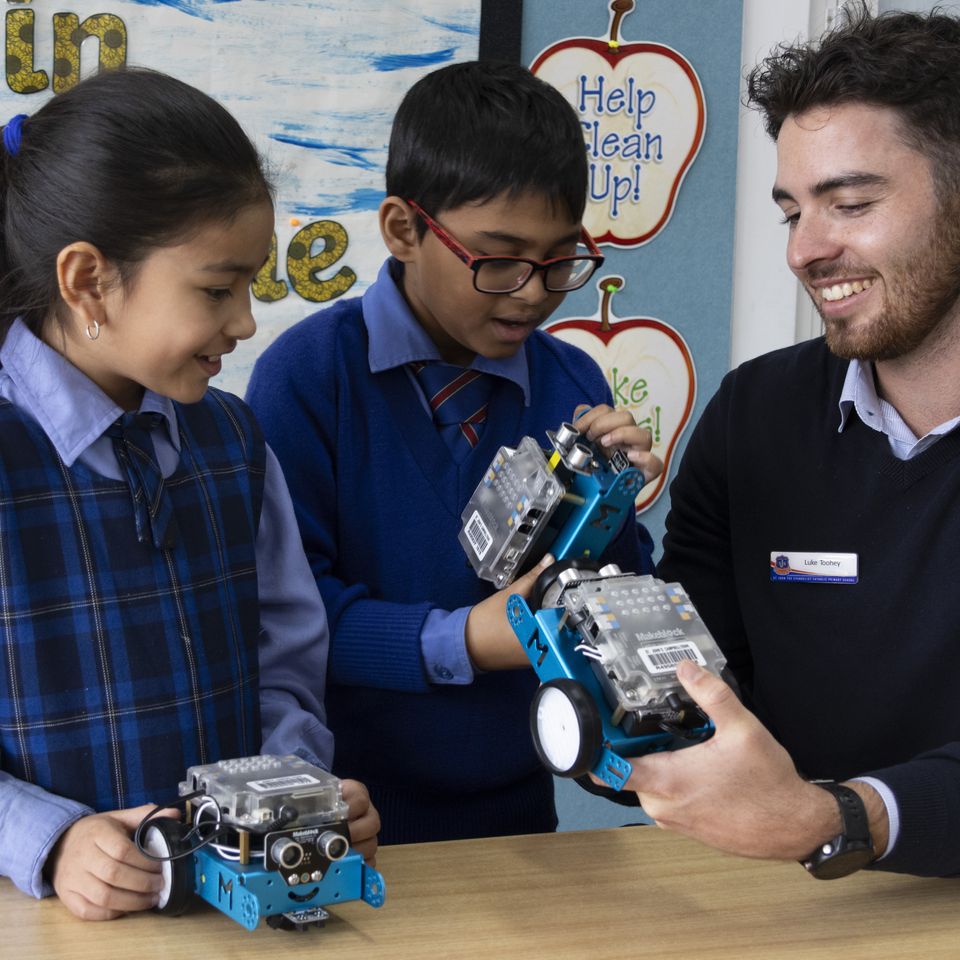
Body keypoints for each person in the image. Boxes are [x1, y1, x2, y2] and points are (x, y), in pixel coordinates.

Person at [246, 61, 662, 844]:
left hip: (520, 817)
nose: (533, 293)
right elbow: (287, 620)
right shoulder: (306, 379)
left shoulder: (570, 378)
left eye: (559, 259)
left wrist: (617, 510)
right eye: (498, 259)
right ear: (403, 228)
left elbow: (595, 597)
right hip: (347, 816)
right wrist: (471, 638)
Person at [0, 67, 378, 921]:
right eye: (216, 289)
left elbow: (284, 662)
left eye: (251, 285)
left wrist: (301, 792)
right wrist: (48, 840)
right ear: (88, 280)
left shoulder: (233, 442)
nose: (245, 322)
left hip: (241, 919)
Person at [622, 5, 960, 879]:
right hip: (782, 904)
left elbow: (810, 816)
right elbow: (697, 685)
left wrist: (838, 817)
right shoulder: (753, 415)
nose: (807, 250)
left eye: (849, 203)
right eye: (791, 213)